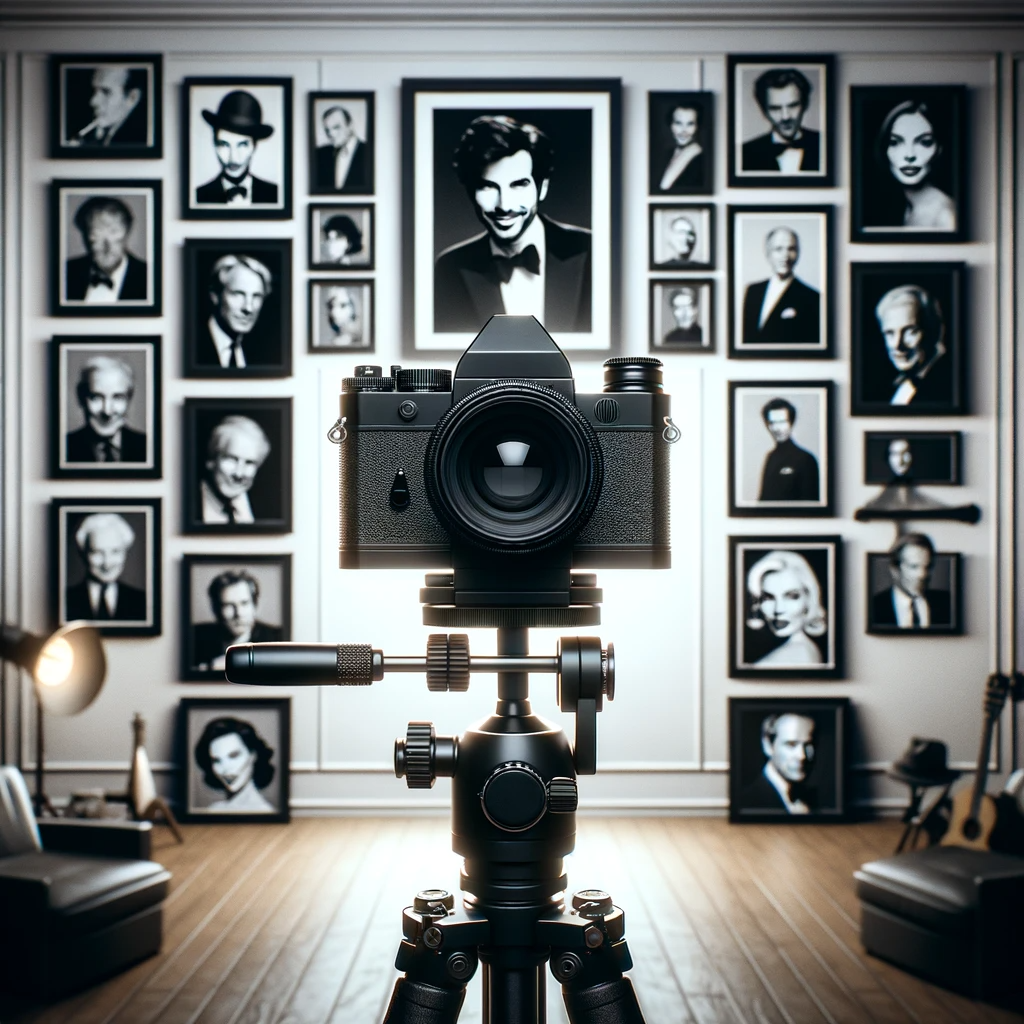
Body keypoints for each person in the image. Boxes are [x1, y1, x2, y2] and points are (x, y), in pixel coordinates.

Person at [434, 115, 591, 333]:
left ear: (542, 188)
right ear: (470, 192)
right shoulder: (449, 268)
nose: (504, 205)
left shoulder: (592, 251)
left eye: (518, 185)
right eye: (488, 187)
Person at [871, 100, 955, 230]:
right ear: (884, 148)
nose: (909, 155)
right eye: (895, 142)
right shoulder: (903, 206)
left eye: (924, 142)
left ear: (939, 149)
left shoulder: (945, 214)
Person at [873, 284, 951, 407]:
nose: (898, 345)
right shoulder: (895, 385)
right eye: (890, 333)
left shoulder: (946, 385)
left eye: (910, 332)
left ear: (935, 330)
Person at [195, 90, 277, 206]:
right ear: (214, 143)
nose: (233, 157)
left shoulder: (274, 194)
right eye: (224, 144)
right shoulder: (198, 196)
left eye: (242, 145)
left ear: (254, 146)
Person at [740, 227, 820, 346]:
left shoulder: (812, 297)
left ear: (798, 253)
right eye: (778, 249)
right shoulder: (752, 291)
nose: (785, 256)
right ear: (768, 253)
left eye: (791, 249)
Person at [746, 550, 827, 667]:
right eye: (768, 598)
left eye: (792, 597)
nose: (778, 610)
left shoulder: (799, 653)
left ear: (809, 599)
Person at [193, 570, 283, 672]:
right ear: (215, 609)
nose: (238, 614)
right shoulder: (196, 637)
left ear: (255, 606)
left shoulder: (277, 639)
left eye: (244, 603)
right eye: (228, 605)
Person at [65, 196, 148, 303]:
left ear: (127, 233)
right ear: (86, 236)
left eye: (114, 232)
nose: (107, 246)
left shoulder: (148, 277)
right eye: (96, 235)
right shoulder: (67, 272)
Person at [65, 355, 147, 464]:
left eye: (118, 398)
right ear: (81, 398)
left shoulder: (147, 446)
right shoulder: (64, 446)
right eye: (96, 397)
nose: (107, 411)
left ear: (129, 399)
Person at [65, 512, 146, 621]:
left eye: (115, 551)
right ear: (83, 554)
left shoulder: (142, 602)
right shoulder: (64, 600)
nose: (107, 563)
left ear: (125, 553)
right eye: (97, 552)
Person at [200, 254, 274, 369]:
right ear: (215, 295)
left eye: (257, 296)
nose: (248, 308)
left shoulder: (264, 352)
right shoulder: (192, 345)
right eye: (238, 294)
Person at [741, 67, 820, 174]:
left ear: (805, 105)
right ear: (764, 111)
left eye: (793, 106)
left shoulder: (825, 144)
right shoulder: (745, 153)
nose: (785, 117)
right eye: (775, 108)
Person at [741, 712, 818, 814]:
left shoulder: (811, 799)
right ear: (768, 745)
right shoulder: (747, 802)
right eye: (791, 744)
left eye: (808, 745)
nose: (802, 756)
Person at [194, 717, 276, 812]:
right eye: (217, 761)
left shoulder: (264, 812)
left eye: (233, 756)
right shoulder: (215, 809)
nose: (225, 768)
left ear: (253, 755)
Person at [201, 415, 271, 524]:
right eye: (232, 459)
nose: (239, 473)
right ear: (211, 461)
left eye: (249, 463)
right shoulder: (188, 503)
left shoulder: (264, 509)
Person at [873, 532, 952, 629]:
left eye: (927, 567)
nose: (922, 575)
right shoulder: (875, 607)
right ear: (895, 570)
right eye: (914, 567)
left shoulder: (947, 603)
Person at [757, 397, 820, 502]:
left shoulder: (806, 459)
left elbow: (811, 504)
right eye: (772, 423)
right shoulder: (770, 456)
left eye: (782, 422)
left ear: (791, 422)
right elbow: (763, 500)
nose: (777, 428)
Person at [71, 65, 147, 147]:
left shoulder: (140, 141)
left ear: (132, 98)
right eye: (94, 91)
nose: (93, 102)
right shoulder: (86, 134)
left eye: (106, 92)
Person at [313, 105, 369, 193]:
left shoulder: (368, 152)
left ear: (350, 125)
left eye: (336, 127)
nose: (331, 134)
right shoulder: (319, 154)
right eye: (327, 130)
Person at [656, 103, 705, 192]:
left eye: (690, 124)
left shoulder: (701, 157)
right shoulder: (667, 154)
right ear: (671, 125)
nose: (683, 130)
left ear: (697, 126)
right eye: (678, 123)